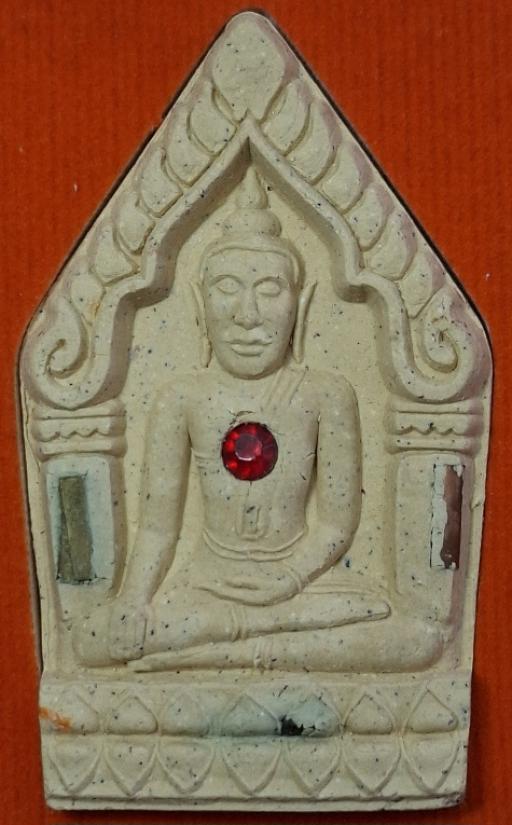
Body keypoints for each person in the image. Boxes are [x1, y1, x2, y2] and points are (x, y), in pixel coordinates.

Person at [73, 169, 442, 672]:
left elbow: (336, 524)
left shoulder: (326, 394)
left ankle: (233, 648)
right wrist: (135, 601)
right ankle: (249, 640)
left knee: (414, 637)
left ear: (301, 305)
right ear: (200, 304)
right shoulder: (180, 397)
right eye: (227, 288)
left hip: (304, 587)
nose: (247, 315)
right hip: (204, 587)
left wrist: (288, 578)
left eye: (269, 289)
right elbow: (157, 530)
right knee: (92, 639)